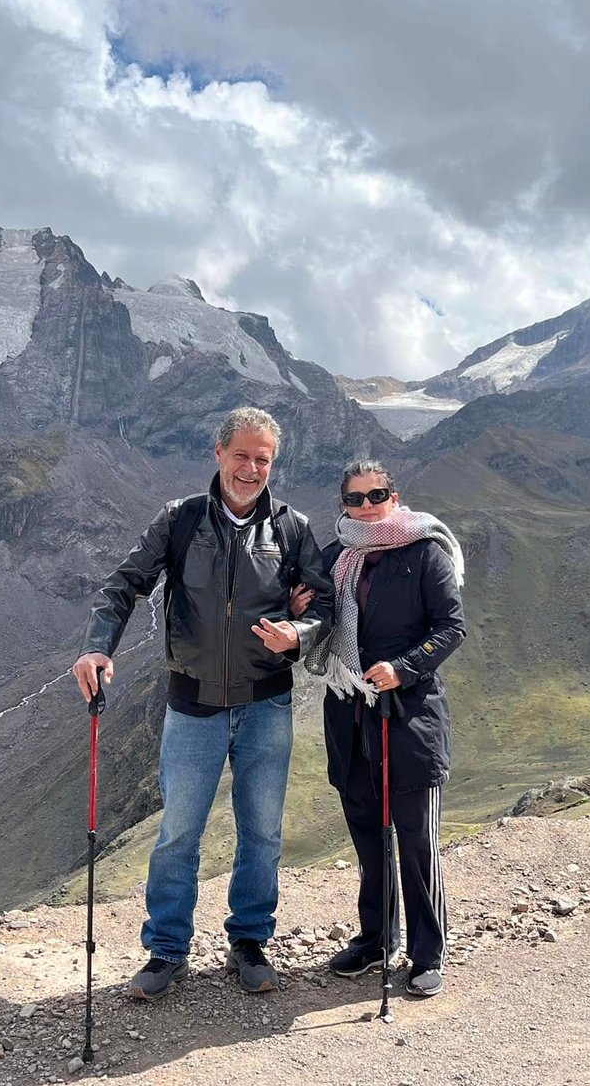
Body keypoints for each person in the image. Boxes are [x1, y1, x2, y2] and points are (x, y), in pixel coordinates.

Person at [72, 406, 333, 1001]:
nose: (251, 469)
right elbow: (123, 586)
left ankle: (250, 942)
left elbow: (323, 603)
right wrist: (96, 648)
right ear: (218, 454)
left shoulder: (291, 528)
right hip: (193, 706)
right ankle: (167, 950)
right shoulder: (181, 519)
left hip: (266, 703)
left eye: (263, 459)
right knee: (178, 833)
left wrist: (299, 633)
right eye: (241, 455)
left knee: (261, 831)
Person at [298, 459, 465, 998]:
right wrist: (298, 608)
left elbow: (451, 627)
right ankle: (376, 939)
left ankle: (427, 952)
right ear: (343, 505)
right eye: (355, 498)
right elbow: (322, 618)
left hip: (408, 716)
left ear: (394, 496)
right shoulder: (335, 557)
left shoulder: (426, 551)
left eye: (376, 495)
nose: (367, 506)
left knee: (416, 842)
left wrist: (403, 668)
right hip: (350, 715)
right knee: (369, 839)